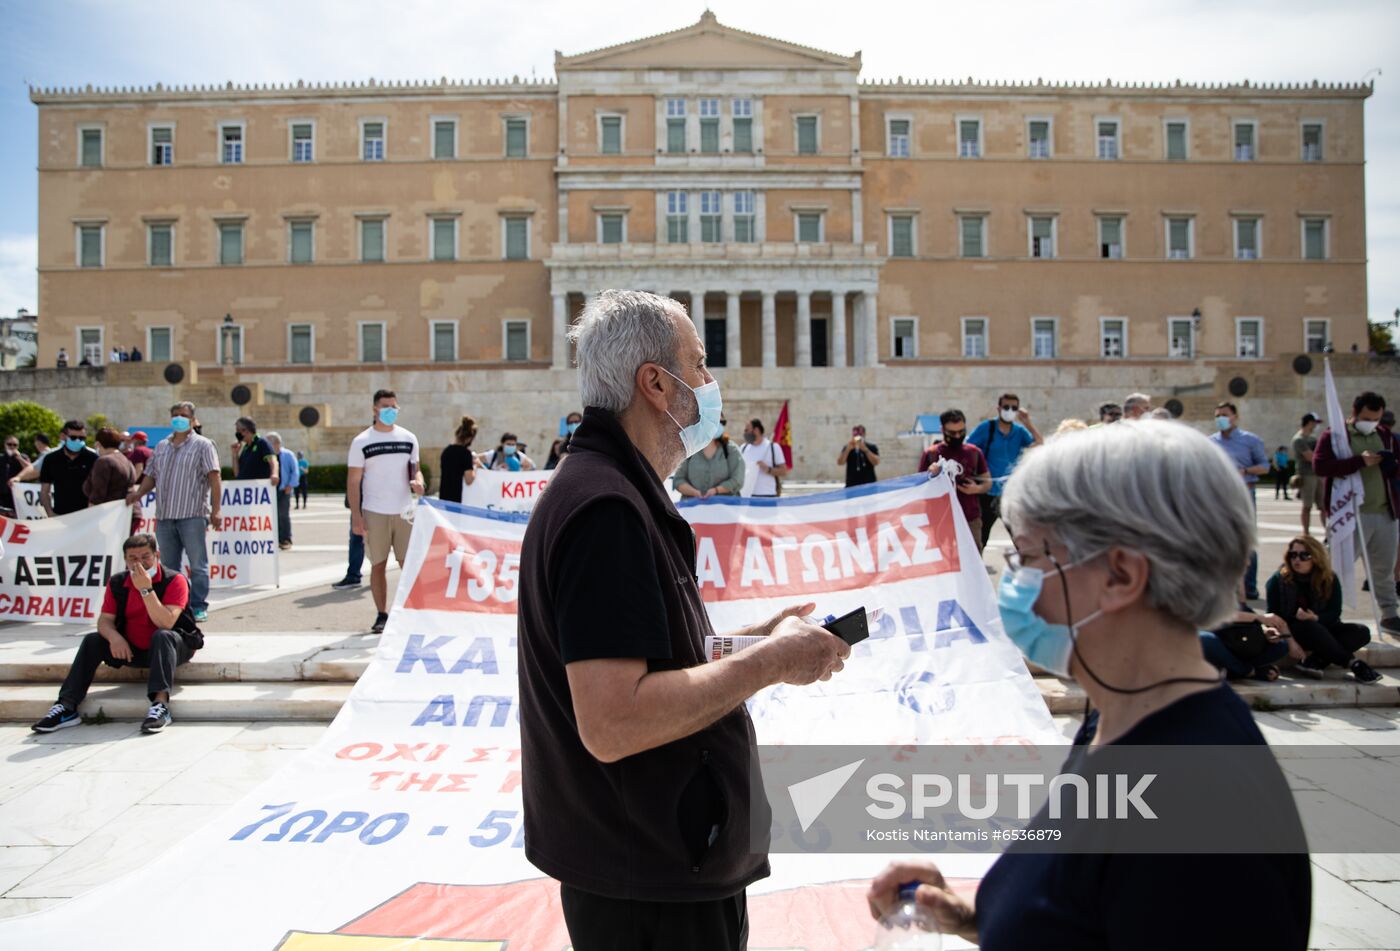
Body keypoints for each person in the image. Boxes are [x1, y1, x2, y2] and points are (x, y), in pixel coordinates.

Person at [867, 419, 1310, 950]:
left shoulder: (1193, 810)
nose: (1015, 587)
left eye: (1029, 559)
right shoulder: (1118, 719)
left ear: (1121, 575)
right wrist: (970, 917)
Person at [517, 290, 849, 950]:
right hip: (651, 881)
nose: (710, 382)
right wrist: (773, 662)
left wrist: (761, 635)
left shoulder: (614, 489)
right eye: (699, 364)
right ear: (656, 384)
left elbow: (657, 655)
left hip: (653, 863)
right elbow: (614, 719)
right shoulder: (606, 510)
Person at [30, 533, 199, 735]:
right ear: (125, 560)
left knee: (162, 635)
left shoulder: (175, 580)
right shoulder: (118, 582)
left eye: (145, 556)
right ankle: (66, 706)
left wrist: (146, 590)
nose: (140, 563)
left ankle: (160, 705)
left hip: (172, 647)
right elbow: (104, 621)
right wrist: (114, 637)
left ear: (157, 555)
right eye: (133, 559)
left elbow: (166, 622)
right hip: (131, 649)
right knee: (93, 640)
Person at [1313, 390, 1400, 634]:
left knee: (1384, 568)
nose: (1371, 423)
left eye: (1376, 418)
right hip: (1349, 513)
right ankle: (1325, 613)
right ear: (1355, 413)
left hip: (1384, 513)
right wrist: (1359, 462)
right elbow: (1320, 466)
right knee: (1337, 567)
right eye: (1367, 417)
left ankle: (1390, 614)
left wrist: (1392, 466)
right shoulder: (1335, 436)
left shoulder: (1385, 435)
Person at [127, 401, 222, 623]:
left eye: (184, 415)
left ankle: (198, 605)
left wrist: (216, 510)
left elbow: (214, 478)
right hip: (165, 515)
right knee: (169, 566)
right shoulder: (161, 446)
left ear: (192, 419)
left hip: (192, 514)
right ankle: (173, 604)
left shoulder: (203, 445)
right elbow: (151, 476)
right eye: (175, 415)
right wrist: (138, 494)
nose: (179, 418)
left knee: (198, 564)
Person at [347, 389, 424, 634]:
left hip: (404, 512)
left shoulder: (409, 438)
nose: (390, 410)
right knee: (378, 565)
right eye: (385, 406)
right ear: (375, 409)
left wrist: (419, 483)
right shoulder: (362, 441)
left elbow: (416, 469)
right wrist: (357, 517)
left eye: (394, 406)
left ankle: (412, 614)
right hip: (374, 511)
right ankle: (382, 614)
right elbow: (353, 481)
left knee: (407, 564)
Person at [1267, 535, 1380, 682]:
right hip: (1293, 630)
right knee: (1310, 626)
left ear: (1315, 557)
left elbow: (1334, 612)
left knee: (1361, 632)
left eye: (1304, 555)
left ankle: (1314, 661)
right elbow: (1273, 616)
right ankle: (1353, 663)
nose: (1297, 560)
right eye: (1293, 555)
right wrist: (1290, 641)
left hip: (1323, 627)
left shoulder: (1328, 578)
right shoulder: (1278, 580)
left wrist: (1316, 618)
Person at [1209, 402, 1269, 599]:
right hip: (1220, 495)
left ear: (1235, 416)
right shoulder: (1211, 442)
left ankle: (1249, 586)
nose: (1220, 419)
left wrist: (1245, 471)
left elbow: (1264, 466)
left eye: (1224, 415)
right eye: (1217, 415)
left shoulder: (1250, 440)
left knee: (1246, 540)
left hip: (1244, 493)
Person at [968, 392, 1042, 549]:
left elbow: (1039, 443)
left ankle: (1027, 569)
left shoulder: (1019, 432)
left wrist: (1027, 422)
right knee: (981, 537)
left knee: (1020, 536)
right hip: (987, 491)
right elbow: (969, 448)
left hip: (1009, 492)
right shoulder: (987, 428)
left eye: (1013, 408)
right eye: (1006, 407)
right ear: (999, 408)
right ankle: (977, 571)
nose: (1009, 410)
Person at [923, 409, 992, 551]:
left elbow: (988, 482)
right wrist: (932, 475)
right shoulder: (931, 454)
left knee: (973, 561)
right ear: (942, 430)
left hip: (970, 518)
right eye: (952, 433)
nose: (957, 436)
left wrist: (976, 489)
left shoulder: (974, 452)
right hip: (941, 519)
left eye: (961, 431)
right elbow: (921, 488)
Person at [673, 417, 745, 498]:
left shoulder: (731, 450)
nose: (719, 425)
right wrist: (694, 493)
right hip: (695, 508)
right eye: (714, 421)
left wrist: (716, 490)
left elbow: (737, 480)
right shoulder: (691, 449)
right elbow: (678, 480)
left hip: (724, 508)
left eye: (721, 422)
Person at [39, 420, 98, 517]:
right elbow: (45, 490)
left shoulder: (93, 458)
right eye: (73, 437)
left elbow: (98, 489)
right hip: (61, 515)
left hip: (86, 516)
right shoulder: (51, 459)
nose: (78, 441)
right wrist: (50, 512)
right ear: (63, 436)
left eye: (82, 438)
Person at [84, 427, 135, 505]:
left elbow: (97, 495)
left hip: (108, 513)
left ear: (98, 444)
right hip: (126, 511)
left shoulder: (104, 461)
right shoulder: (127, 461)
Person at [1292, 413, 1323, 534]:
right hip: (1306, 474)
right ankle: (1306, 532)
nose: (1316, 426)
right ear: (1309, 423)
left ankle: (1328, 532)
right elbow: (1310, 457)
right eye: (1315, 423)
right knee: (1307, 506)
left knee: (1323, 506)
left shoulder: (1313, 439)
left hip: (1318, 474)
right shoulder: (1299, 439)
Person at [740, 418, 787, 498]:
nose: (745, 433)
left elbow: (783, 471)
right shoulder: (743, 448)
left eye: (747, 430)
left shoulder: (773, 447)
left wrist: (768, 469)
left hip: (768, 495)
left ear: (756, 430)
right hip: (748, 496)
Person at [438, 415, 480, 503]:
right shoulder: (465, 453)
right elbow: (469, 480)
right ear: (469, 438)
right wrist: (476, 466)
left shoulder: (446, 451)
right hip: (458, 498)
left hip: (444, 496)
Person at [267, 432, 298, 550]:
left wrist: (290, 486)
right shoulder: (268, 456)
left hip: (284, 489)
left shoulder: (288, 455)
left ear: (277, 444)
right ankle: (275, 538)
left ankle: (285, 539)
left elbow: (294, 471)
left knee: (283, 515)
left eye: (270, 444)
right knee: (272, 516)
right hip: (270, 491)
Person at [232, 417, 278, 484]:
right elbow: (237, 474)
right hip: (245, 488)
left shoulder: (262, 443)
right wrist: (235, 454)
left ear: (246, 431)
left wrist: (275, 474)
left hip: (259, 489)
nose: (237, 434)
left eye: (238, 431)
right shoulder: (245, 448)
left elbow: (273, 460)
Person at [838, 424, 880, 488]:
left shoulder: (871, 447)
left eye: (860, 435)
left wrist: (866, 450)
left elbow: (876, 462)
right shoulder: (848, 447)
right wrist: (847, 450)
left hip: (869, 485)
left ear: (864, 434)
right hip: (851, 485)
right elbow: (840, 462)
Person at [0, 436, 29, 515]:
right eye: (9, 444)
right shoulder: (1, 458)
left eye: (15, 445)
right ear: (5, 445)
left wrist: (19, 458)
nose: (12, 447)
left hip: (17, 496)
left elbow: (30, 469)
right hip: (2, 495)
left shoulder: (23, 457)